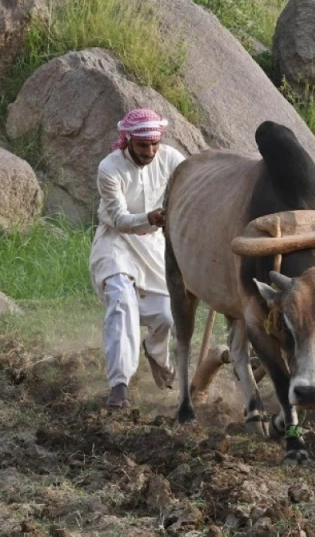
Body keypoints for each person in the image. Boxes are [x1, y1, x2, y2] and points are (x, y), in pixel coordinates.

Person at [89, 108, 187, 408]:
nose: (150, 151)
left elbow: (190, 191)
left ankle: (155, 352)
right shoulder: (109, 168)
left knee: (167, 315)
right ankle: (119, 385)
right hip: (116, 242)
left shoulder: (172, 160)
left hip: (154, 245)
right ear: (128, 140)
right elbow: (119, 219)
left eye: (154, 144)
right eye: (143, 145)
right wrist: (150, 217)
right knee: (122, 303)